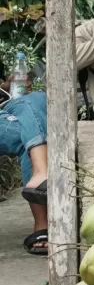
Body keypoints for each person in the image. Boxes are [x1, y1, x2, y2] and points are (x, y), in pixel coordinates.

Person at [0, 66, 48, 255]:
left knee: (37, 98)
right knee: (30, 131)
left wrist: (7, 86)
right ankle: (43, 225)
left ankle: (40, 173)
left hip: (7, 109)